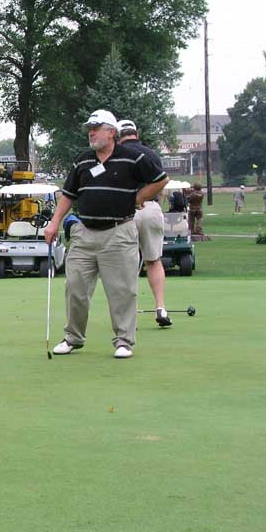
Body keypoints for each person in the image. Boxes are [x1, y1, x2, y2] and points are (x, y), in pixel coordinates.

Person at [43, 109, 167, 359]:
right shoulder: (83, 161)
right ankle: (73, 337)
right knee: (75, 287)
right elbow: (68, 194)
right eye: (89, 129)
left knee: (122, 290)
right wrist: (54, 223)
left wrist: (138, 198)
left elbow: (160, 179)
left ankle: (124, 341)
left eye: (96, 128)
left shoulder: (132, 157)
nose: (91, 133)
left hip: (119, 232)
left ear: (111, 132)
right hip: (84, 233)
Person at [117, 119, 171, 327]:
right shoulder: (151, 154)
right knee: (153, 260)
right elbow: (161, 185)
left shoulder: (116, 155)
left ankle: (130, 315)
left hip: (126, 211)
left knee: (127, 265)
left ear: (118, 136)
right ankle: (160, 308)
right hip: (151, 208)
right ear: (136, 134)